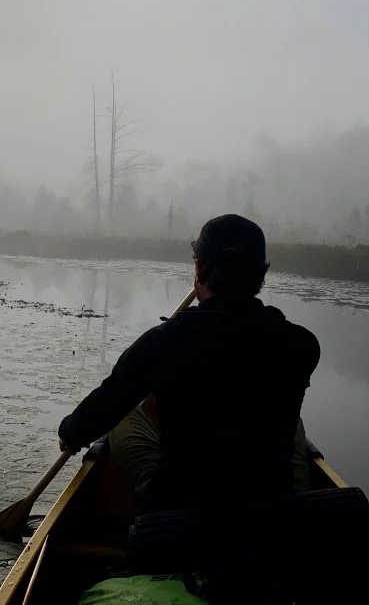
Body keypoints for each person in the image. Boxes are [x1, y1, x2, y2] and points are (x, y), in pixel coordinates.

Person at [58, 213, 321, 515]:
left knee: (127, 413)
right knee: (295, 424)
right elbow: (237, 357)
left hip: (176, 507)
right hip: (269, 504)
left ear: (198, 267)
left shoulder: (162, 344)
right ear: (262, 274)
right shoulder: (301, 345)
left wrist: (70, 431)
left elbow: (105, 405)